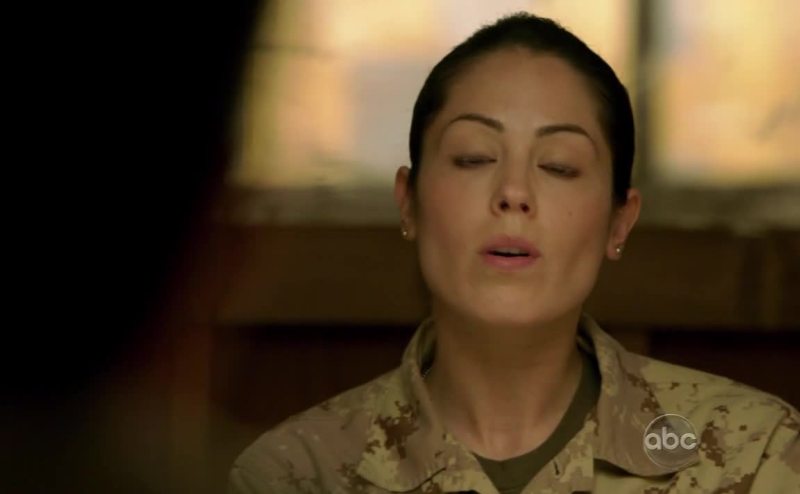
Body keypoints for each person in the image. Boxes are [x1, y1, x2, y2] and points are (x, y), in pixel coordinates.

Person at [228, 13, 799, 494]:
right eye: (473, 158)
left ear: (619, 222)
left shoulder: (753, 455)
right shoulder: (297, 474)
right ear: (409, 202)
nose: (513, 193)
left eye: (559, 166)